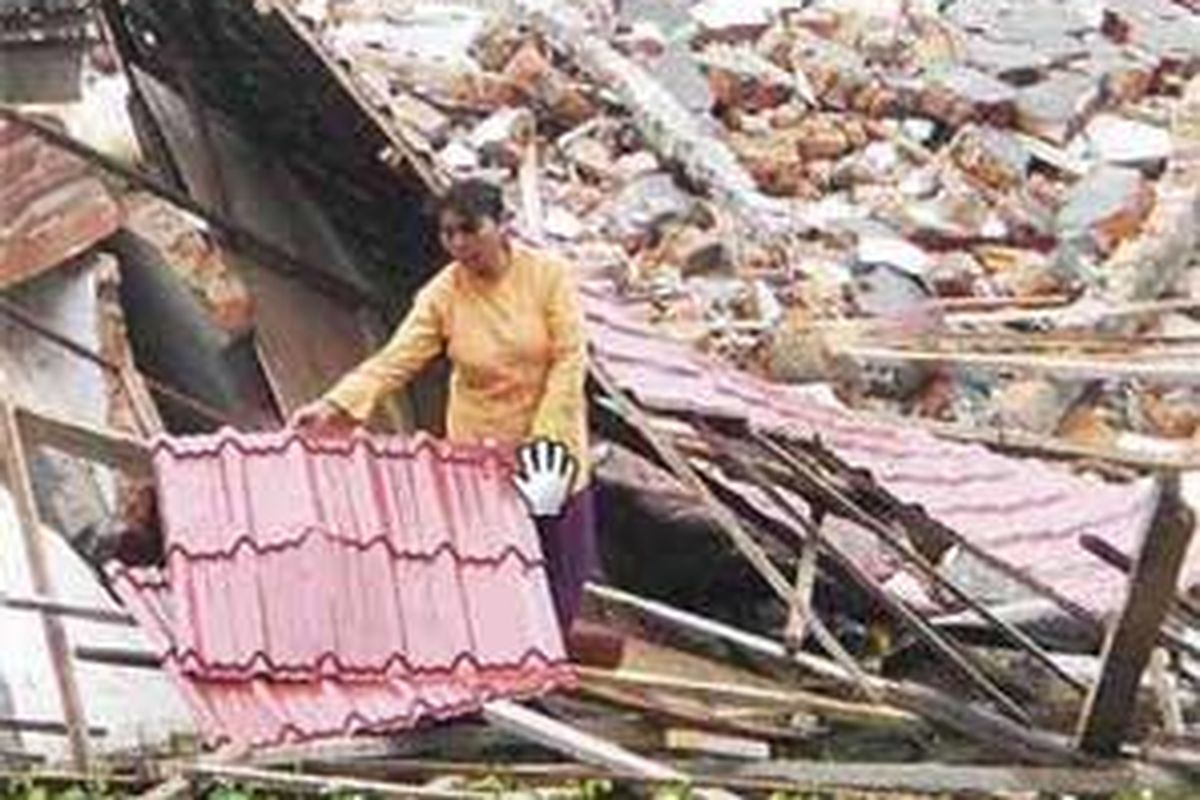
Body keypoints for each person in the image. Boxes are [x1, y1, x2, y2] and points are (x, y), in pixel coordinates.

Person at [290, 178, 596, 633]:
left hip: (547, 448)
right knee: (488, 569)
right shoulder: (443, 294)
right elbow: (398, 358)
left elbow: (570, 358)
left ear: (502, 225)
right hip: (481, 451)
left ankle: (543, 665)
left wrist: (545, 437)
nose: (458, 243)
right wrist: (336, 404)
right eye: (447, 233)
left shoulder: (546, 276)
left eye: (469, 229)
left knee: (556, 570)